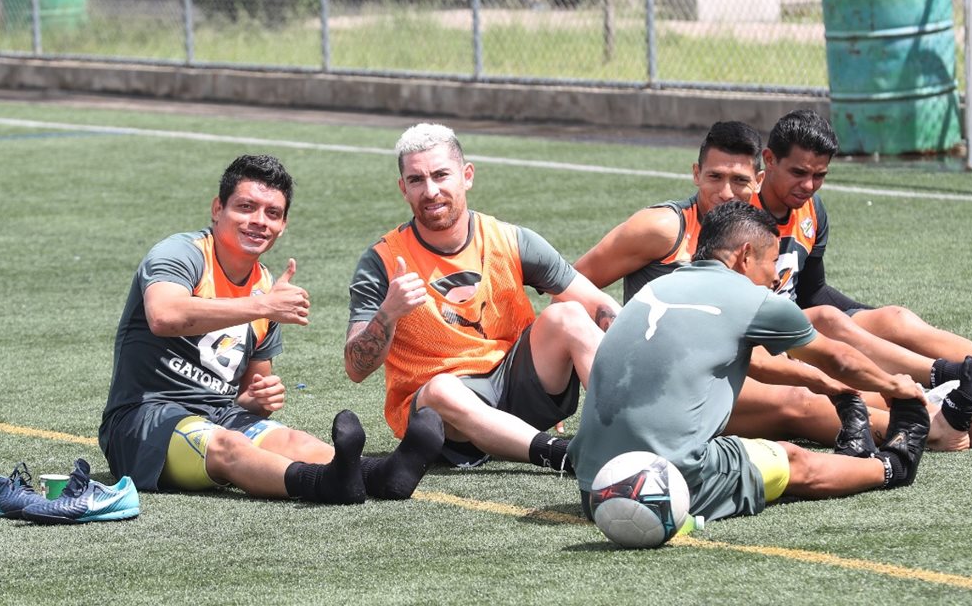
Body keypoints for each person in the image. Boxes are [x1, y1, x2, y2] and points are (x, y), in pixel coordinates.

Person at [574, 121, 972, 451]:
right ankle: (936, 426)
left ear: (757, 181)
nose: (726, 192)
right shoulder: (662, 227)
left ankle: (956, 413)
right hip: (675, 382)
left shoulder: (752, 235)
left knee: (827, 351)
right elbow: (572, 281)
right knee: (799, 398)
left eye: (739, 181)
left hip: (739, 361)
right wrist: (605, 344)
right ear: (695, 174)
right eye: (714, 177)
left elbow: (784, 327)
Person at [100, 154, 443, 505]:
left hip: (220, 416)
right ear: (217, 209)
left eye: (272, 213)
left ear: (283, 225)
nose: (259, 221)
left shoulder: (265, 285)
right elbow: (164, 315)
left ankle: (381, 474)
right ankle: (324, 484)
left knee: (294, 441)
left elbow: (251, 396)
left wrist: (259, 399)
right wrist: (264, 305)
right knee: (230, 444)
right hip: (143, 422)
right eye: (246, 207)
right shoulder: (182, 254)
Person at [569, 201, 931, 522]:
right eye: (772, 261)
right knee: (791, 460)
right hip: (665, 484)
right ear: (744, 256)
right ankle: (891, 467)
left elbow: (751, 362)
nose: (776, 277)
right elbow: (840, 358)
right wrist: (893, 384)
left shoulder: (656, 287)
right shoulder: (753, 300)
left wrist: (821, 383)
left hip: (595, 486)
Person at [344, 123, 620, 472]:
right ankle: (561, 454)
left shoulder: (510, 240)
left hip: (516, 387)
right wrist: (388, 313)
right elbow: (355, 369)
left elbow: (601, 306)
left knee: (570, 315)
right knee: (441, 390)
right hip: (450, 421)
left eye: (441, 175)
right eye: (416, 180)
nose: (430, 190)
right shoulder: (382, 261)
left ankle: (629, 433)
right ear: (404, 189)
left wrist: (652, 361)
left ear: (467, 176)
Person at [755, 109, 972, 405]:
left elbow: (813, 291)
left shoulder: (812, 209)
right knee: (830, 319)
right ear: (769, 160)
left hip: (797, 320)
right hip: (760, 333)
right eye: (798, 173)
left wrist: (874, 320)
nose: (809, 185)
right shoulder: (741, 210)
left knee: (893, 318)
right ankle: (953, 374)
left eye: (819, 175)